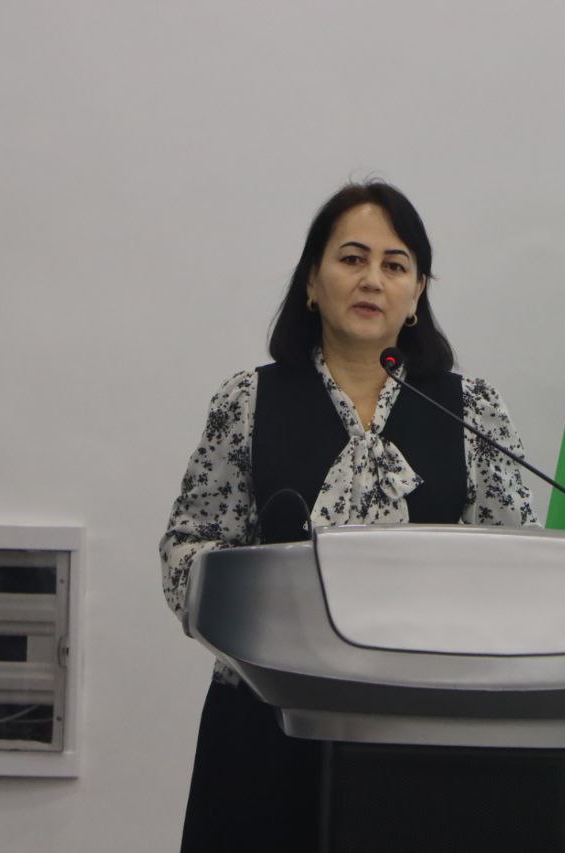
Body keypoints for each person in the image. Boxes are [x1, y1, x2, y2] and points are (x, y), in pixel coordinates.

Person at [159, 180, 538, 851]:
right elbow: (188, 550)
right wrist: (265, 616)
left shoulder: (471, 409)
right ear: (312, 282)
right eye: (352, 258)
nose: (372, 280)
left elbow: (518, 567)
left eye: (395, 265)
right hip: (264, 728)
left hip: (424, 734)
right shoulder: (248, 401)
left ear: (417, 294)